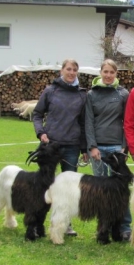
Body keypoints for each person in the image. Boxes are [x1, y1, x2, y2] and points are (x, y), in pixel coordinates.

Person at [32, 58, 88, 237]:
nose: (71, 73)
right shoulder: (50, 91)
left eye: (74, 70)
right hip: (50, 145)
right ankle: (37, 222)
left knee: (69, 188)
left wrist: (84, 148)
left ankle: (66, 224)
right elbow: (37, 114)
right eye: (68, 69)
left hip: (72, 146)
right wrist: (41, 132)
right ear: (62, 70)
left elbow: (84, 122)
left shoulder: (82, 95)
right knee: (44, 184)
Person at [85, 59, 132, 241]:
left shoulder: (123, 94)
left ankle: (123, 227)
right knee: (100, 192)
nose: (108, 75)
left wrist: (123, 147)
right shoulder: (91, 94)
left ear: (116, 74)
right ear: (100, 73)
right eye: (105, 72)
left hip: (116, 149)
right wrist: (92, 146)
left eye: (111, 72)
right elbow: (88, 121)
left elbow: (127, 122)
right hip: (98, 149)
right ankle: (102, 228)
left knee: (120, 190)